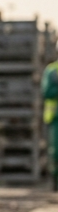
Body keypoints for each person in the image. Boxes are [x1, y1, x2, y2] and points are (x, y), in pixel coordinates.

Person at [42, 50, 58, 190]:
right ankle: (55, 182)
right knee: (55, 151)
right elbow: (46, 92)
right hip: (55, 118)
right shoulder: (52, 70)